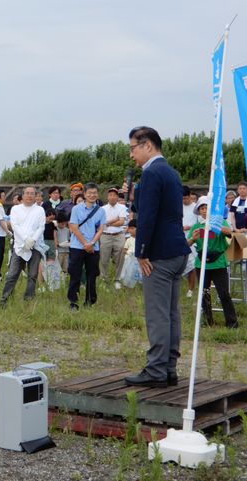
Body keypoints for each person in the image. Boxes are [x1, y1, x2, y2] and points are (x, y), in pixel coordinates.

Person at [124, 126, 190, 388]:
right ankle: (169, 367)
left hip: (159, 254)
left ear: (147, 145)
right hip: (177, 250)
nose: (131, 155)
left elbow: (148, 217)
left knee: (157, 314)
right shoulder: (171, 172)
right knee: (172, 313)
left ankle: (155, 369)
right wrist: (135, 194)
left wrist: (141, 253)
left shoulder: (151, 173)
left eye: (133, 148)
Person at [187, 197, 237, 328]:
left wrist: (217, 227)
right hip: (201, 263)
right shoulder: (196, 227)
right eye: (202, 208)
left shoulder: (220, 222)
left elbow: (229, 232)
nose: (204, 211)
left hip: (219, 262)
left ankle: (232, 322)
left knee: (224, 293)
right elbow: (186, 244)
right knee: (204, 293)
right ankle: (207, 321)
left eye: (206, 208)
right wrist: (193, 238)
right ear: (199, 211)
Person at [0, 187, 46, 307]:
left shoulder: (40, 210)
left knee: (33, 275)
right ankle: (4, 300)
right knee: (12, 274)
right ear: (23, 195)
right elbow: (15, 225)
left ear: (36, 196)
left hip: (35, 246)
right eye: (27, 193)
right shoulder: (15, 209)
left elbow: (41, 227)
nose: (30, 196)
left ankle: (28, 299)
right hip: (19, 246)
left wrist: (33, 240)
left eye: (32, 194)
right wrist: (26, 239)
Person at [67, 183, 106, 310]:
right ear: (84, 194)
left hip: (94, 248)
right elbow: (74, 227)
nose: (92, 195)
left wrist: (92, 243)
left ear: (97, 194)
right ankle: (74, 302)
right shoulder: (76, 209)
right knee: (75, 274)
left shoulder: (101, 211)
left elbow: (101, 229)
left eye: (94, 193)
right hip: (77, 246)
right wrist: (85, 243)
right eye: (89, 193)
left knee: (92, 275)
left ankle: (90, 301)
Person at [100, 187, 128, 288]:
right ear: (107, 197)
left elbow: (121, 222)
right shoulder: (102, 209)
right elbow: (102, 224)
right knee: (104, 258)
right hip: (105, 235)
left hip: (119, 235)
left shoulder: (122, 207)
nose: (112, 197)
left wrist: (108, 223)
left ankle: (117, 279)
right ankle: (104, 279)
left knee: (120, 258)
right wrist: (114, 220)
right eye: (110, 195)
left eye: (115, 195)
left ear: (117, 197)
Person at [182, 186, 198, 297]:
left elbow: (200, 223)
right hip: (179, 239)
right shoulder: (177, 207)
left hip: (193, 240)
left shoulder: (196, 208)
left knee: (191, 266)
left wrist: (191, 227)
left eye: (186, 198)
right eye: (182, 198)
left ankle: (191, 289)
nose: (184, 200)